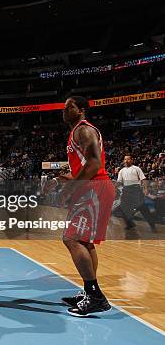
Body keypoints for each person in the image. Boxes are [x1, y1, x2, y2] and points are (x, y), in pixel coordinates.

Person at [45, 96, 115, 317]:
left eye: (69, 108)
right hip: (94, 187)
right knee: (85, 241)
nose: (64, 111)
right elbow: (82, 167)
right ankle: (90, 292)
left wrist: (71, 188)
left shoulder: (83, 130)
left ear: (82, 110)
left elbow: (95, 163)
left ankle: (95, 296)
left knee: (71, 238)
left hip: (94, 188)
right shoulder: (77, 131)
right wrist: (60, 180)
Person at [116, 154, 157, 232]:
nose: (126, 161)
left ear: (132, 160)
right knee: (123, 208)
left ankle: (152, 225)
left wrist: (146, 189)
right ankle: (130, 225)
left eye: (128, 159)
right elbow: (119, 182)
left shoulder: (136, 169)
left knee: (143, 208)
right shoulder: (121, 171)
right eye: (125, 159)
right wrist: (113, 188)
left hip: (136, 190)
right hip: (126, 190)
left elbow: (143, 179)